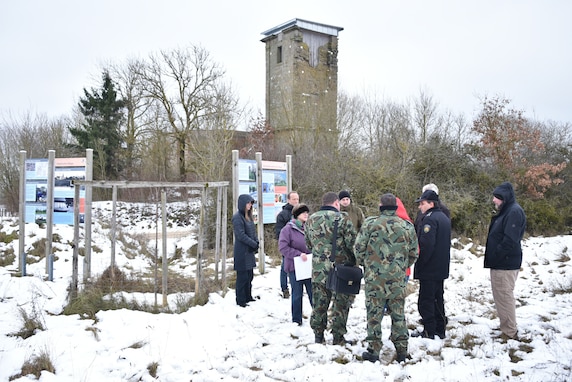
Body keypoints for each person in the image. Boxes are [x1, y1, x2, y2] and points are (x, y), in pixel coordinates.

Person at [354, 193, 419, 363]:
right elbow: (414, 253)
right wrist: (401, 267)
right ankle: (402, 351)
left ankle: (374, 351)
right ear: (396, 207)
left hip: (374, 278)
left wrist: (367, 265)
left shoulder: (370, 223)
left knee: (374, 314)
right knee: (398, 314)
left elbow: (358, 249)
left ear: (381, 205)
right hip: (397, 278)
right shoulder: (407, 226)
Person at [305, 192, 357, 345]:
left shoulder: (311, 219)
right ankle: (338, 336)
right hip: (340, 269)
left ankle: (318, 335)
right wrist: (354, 261)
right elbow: (351, 243)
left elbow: (308, 244)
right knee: (341, 304)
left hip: (318, 269)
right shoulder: (343, 218)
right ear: (336, 203)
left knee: (320, 303)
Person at [484, 181, 526, 341]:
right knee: (501, 296)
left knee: (504, 296)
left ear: (505, 198)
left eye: (497, 197)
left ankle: (509, 332)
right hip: (502, 263)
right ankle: (506, 325)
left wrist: (497, 255)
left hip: (505, 264)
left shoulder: (513, 212)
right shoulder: (507, 211)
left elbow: (510, 240)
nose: (494, 200)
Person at [412, 189, 451, 339]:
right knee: (438, 299)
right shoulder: (443, 217)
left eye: (422, 203)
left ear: (431, 203)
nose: (419, 207)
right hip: (441, 266)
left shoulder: (429, 219)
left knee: (426, 301)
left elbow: (426, 245)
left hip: (430, 267)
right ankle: (440, 329)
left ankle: (429, 330)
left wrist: (419, 262)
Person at [278, 203, 313, 325]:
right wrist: (298, 254)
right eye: (303, 213)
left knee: (313, 292)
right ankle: (296, 320)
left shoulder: (309, 228)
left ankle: (318, 318)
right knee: (297, 294)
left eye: (307, 213)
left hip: (308, 266)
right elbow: (283, 248)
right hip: (294, 267)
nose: (306, 215)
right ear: (297, 215)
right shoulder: (287, 229)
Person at [232, 194, 259, 307]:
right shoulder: (237, 217)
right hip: (242, 251)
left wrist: (256, 242)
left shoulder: (249, 216)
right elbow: (240, 235)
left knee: (249, 276)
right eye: (248, 203)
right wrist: (253, 243)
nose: (250, 205)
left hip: (249, 251)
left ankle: (248, 296)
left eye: (251, 203)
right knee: (242, 277)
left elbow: (252, 231)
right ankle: (241, 299)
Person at [275, 191, 300, 299]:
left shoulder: (300, 213)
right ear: (289, 200)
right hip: (288, 246)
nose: (296, 201)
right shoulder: (283, 214)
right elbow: (279, 232)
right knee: (285, 267)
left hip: (300, 246)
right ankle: (284, 288)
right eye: (294, 199)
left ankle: (299, 285)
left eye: (297, 199)